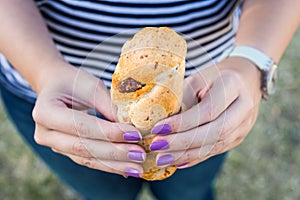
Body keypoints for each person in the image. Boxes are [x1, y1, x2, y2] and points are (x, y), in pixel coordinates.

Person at [0, 0, 299, 199]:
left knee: (189, 191)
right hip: (56, 101)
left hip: (206, 102)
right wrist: (42, 70)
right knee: (105, 193)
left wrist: (249, 61)